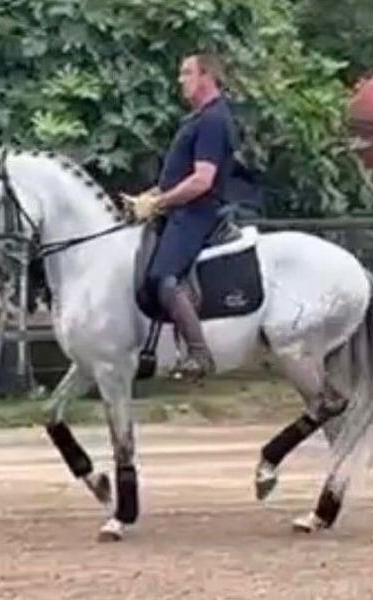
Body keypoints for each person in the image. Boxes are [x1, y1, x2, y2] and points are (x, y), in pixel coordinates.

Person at [124, 52, 238, 379]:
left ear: (207, 77)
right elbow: (178, 177)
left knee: (163, 278)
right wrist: (147, 198)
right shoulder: (198, 119)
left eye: (187, 73)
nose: (180, 80)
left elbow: (202, 180)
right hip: (181, 210)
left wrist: (159, 203)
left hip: (197, 213)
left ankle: (199, 355)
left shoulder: (213, 121)